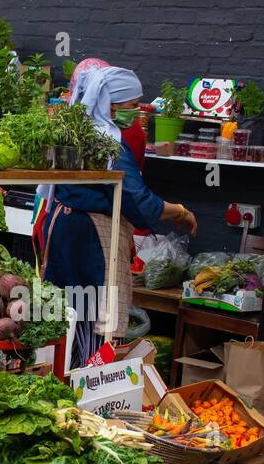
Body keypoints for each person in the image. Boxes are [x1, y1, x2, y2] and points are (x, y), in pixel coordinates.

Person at [39, 66, 197, 367]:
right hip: (92, 241)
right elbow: (137, 201)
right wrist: (180, 211)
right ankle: (90, 388)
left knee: (64, 317)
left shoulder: (76, 133)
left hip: (63, 230)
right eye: (131, 106)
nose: (137, 113)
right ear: (111, 104)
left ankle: (63, 380)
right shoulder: (109, 142)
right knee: (97, 320)